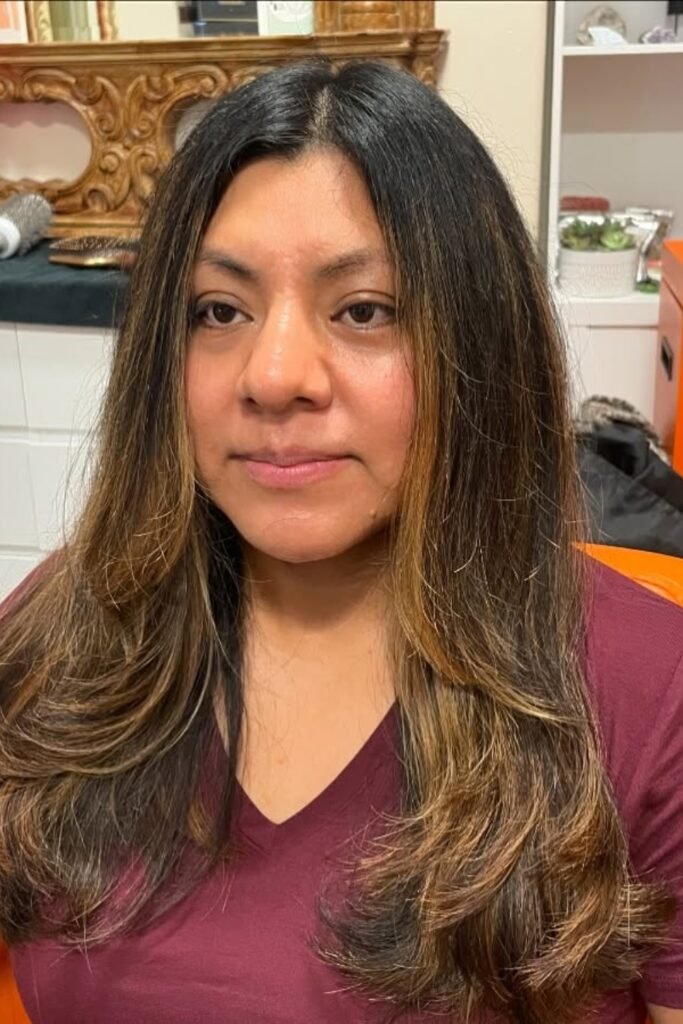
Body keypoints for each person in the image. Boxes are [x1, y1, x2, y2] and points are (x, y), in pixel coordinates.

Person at [0, 59, 681, 1024]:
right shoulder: (60, 630)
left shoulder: (650, 698)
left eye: (364, 310)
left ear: (477, 346)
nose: (273, 375)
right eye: (219, 311)